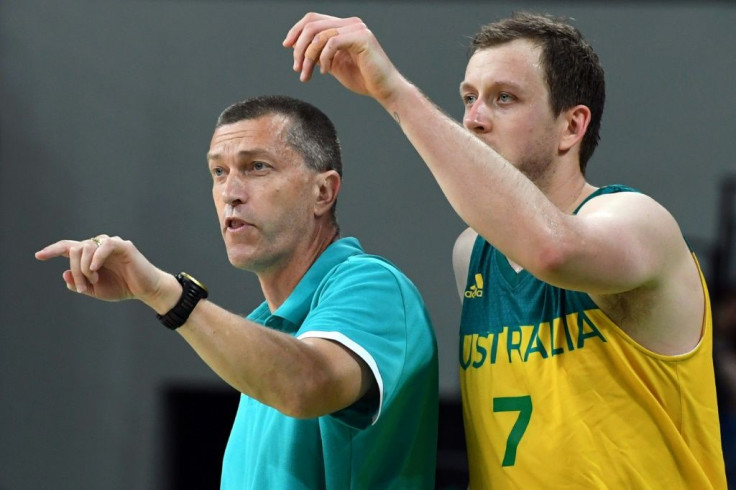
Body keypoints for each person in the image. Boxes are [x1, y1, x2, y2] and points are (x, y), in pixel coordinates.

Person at [283, 11, 728, 489]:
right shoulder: (472, 254)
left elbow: (553, 250)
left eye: (504, 99)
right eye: (469, 98)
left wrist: (394, 93)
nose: (473, 119)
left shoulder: (637, 220)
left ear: (572, 127)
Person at [35, 95, 439, 489]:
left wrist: (166, 293)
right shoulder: (262, 330)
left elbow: (306, 384)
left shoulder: (375, 287)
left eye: (256, 167)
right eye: (218, 172)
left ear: (323, 192)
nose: (231, 192)